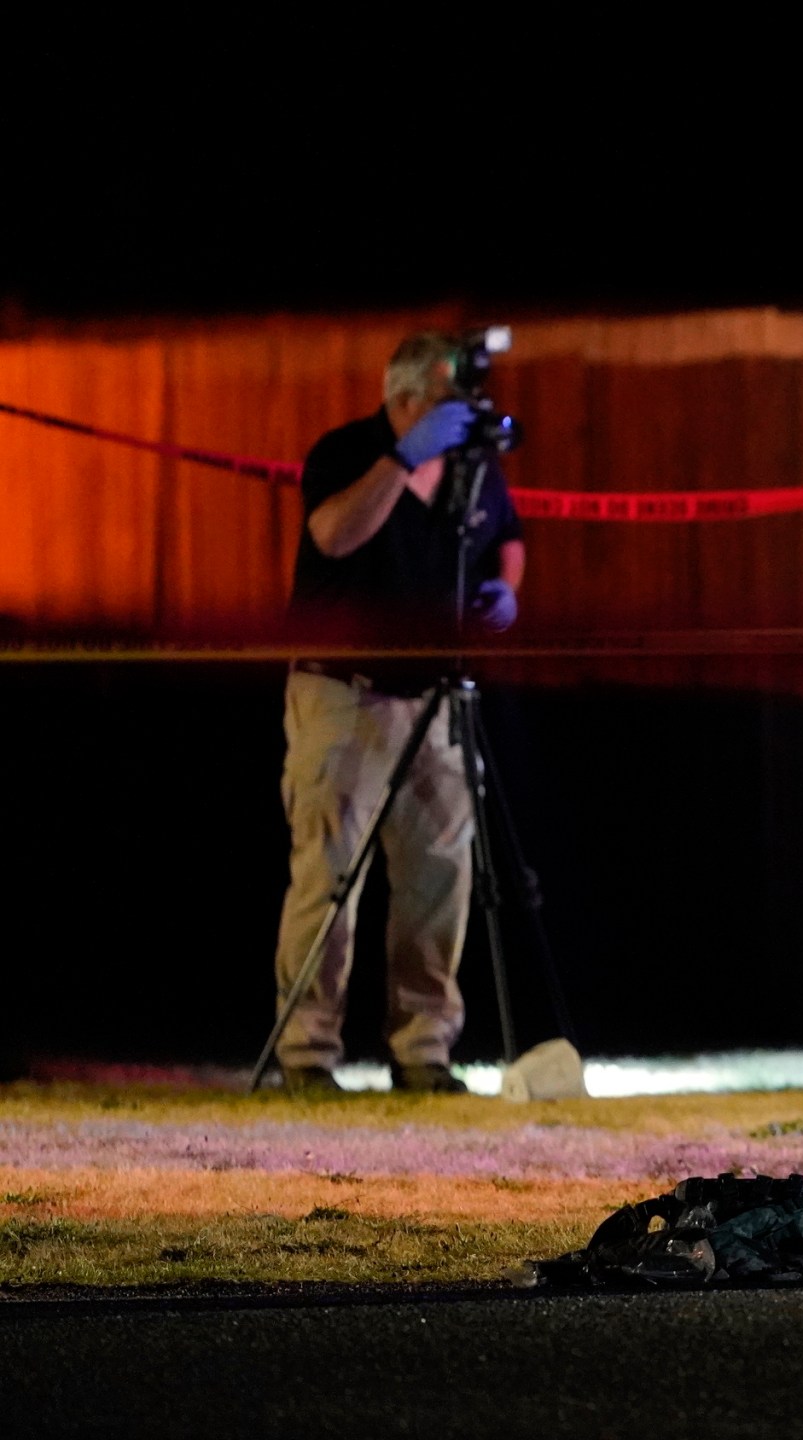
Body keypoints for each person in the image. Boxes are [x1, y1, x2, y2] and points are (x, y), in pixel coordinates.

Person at [268, 332, 524, 1095]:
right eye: (450, 405)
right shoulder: (347, 452)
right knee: (329, 872)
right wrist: (405, 457)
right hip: (343, 694)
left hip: (434, 698)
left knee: (440, 876)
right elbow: (334, 534)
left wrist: (506, 592)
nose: (462, 420)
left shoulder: (473, 471)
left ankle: (424, 1050)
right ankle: (306, 1054)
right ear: (405, 399)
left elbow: (507, 536)